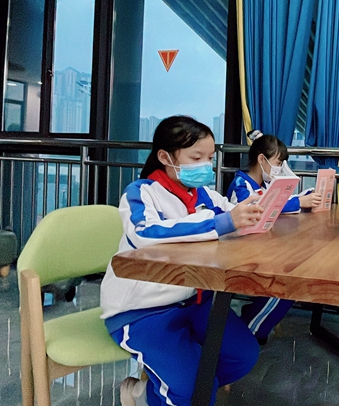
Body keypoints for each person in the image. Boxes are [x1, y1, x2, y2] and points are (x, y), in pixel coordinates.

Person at [100, 116, 264, 406]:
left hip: (194, 300)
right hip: (143, 310)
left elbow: (234, 214)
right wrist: (222, 223)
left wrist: (261, 210)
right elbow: (144, 233)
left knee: (243, 356)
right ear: (165, 157)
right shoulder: (141, 192)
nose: (206, 166)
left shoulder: (205, 195)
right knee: (192, 388)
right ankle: (162, 394)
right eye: (196, 158)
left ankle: (163, 389)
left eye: (210, 158)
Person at [226, 130, 321, 344]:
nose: (279, 169)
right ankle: (250, 330)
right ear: (262, 159)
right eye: (278, 163)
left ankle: (255, 318)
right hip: (242, 251)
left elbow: (273, 202)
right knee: (286, 283)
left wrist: (303, 197)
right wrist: (298, 203)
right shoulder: (241, 186)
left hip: (259, 246)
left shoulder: (262, 186)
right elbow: (258, 208)